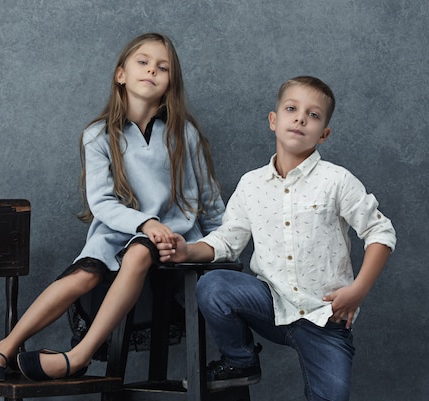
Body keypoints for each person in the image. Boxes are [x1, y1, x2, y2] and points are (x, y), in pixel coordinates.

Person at [0, 32, 225, 381]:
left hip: (173, 235)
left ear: (170, 85)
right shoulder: (98, 135)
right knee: (84, 274)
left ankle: (79, 356)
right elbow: (102, 202)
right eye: (143, 62)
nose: (152, 70)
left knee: (139, 253)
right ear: (120, 74)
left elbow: (211, 201)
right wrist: (144, 223)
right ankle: (5, 346)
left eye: (162, 67)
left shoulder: (185, 134)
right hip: (115, 231)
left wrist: (222, 248)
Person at [157, 76, 396, 400]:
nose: (300, 118)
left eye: (313, 115)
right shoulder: (252, 184)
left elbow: (380, 231)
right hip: (270, 305)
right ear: (274, 120)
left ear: (323, 134)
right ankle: (240, 360)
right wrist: (187, 251)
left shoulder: (336, 180)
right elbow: (227, 240)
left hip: (325, 316)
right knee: (214, 286)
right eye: (291, 108)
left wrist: (358, 290)